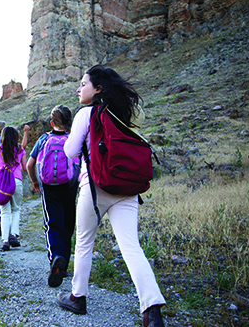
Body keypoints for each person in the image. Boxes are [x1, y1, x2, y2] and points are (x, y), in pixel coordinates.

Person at [57, 65, 166, 327]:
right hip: (127, 188)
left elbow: (71, 152)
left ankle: (77, 297)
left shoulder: (87, 113)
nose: (78, 88)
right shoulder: (130, 112)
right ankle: (151, 309)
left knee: (84, 242)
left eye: (83, 83)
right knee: (131, 246)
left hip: (94, 188)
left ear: (99, 88)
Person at [26, 105, 79, 288]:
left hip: (49, 188)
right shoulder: (74, 139)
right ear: (69, 122)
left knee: (52, 224)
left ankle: (55, 257)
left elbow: (29, 165)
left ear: (51, 123)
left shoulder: (43, 139)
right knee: (67, 224)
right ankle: (64, 266)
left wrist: (34, 182)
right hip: (70, 186)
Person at [0, 126, 28, 252]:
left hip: (3, 184)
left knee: (4, 212)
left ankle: (5, 241)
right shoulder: (20, 149)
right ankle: (13, 234)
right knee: (16, 209)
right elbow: (24, 168)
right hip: (16, 181)